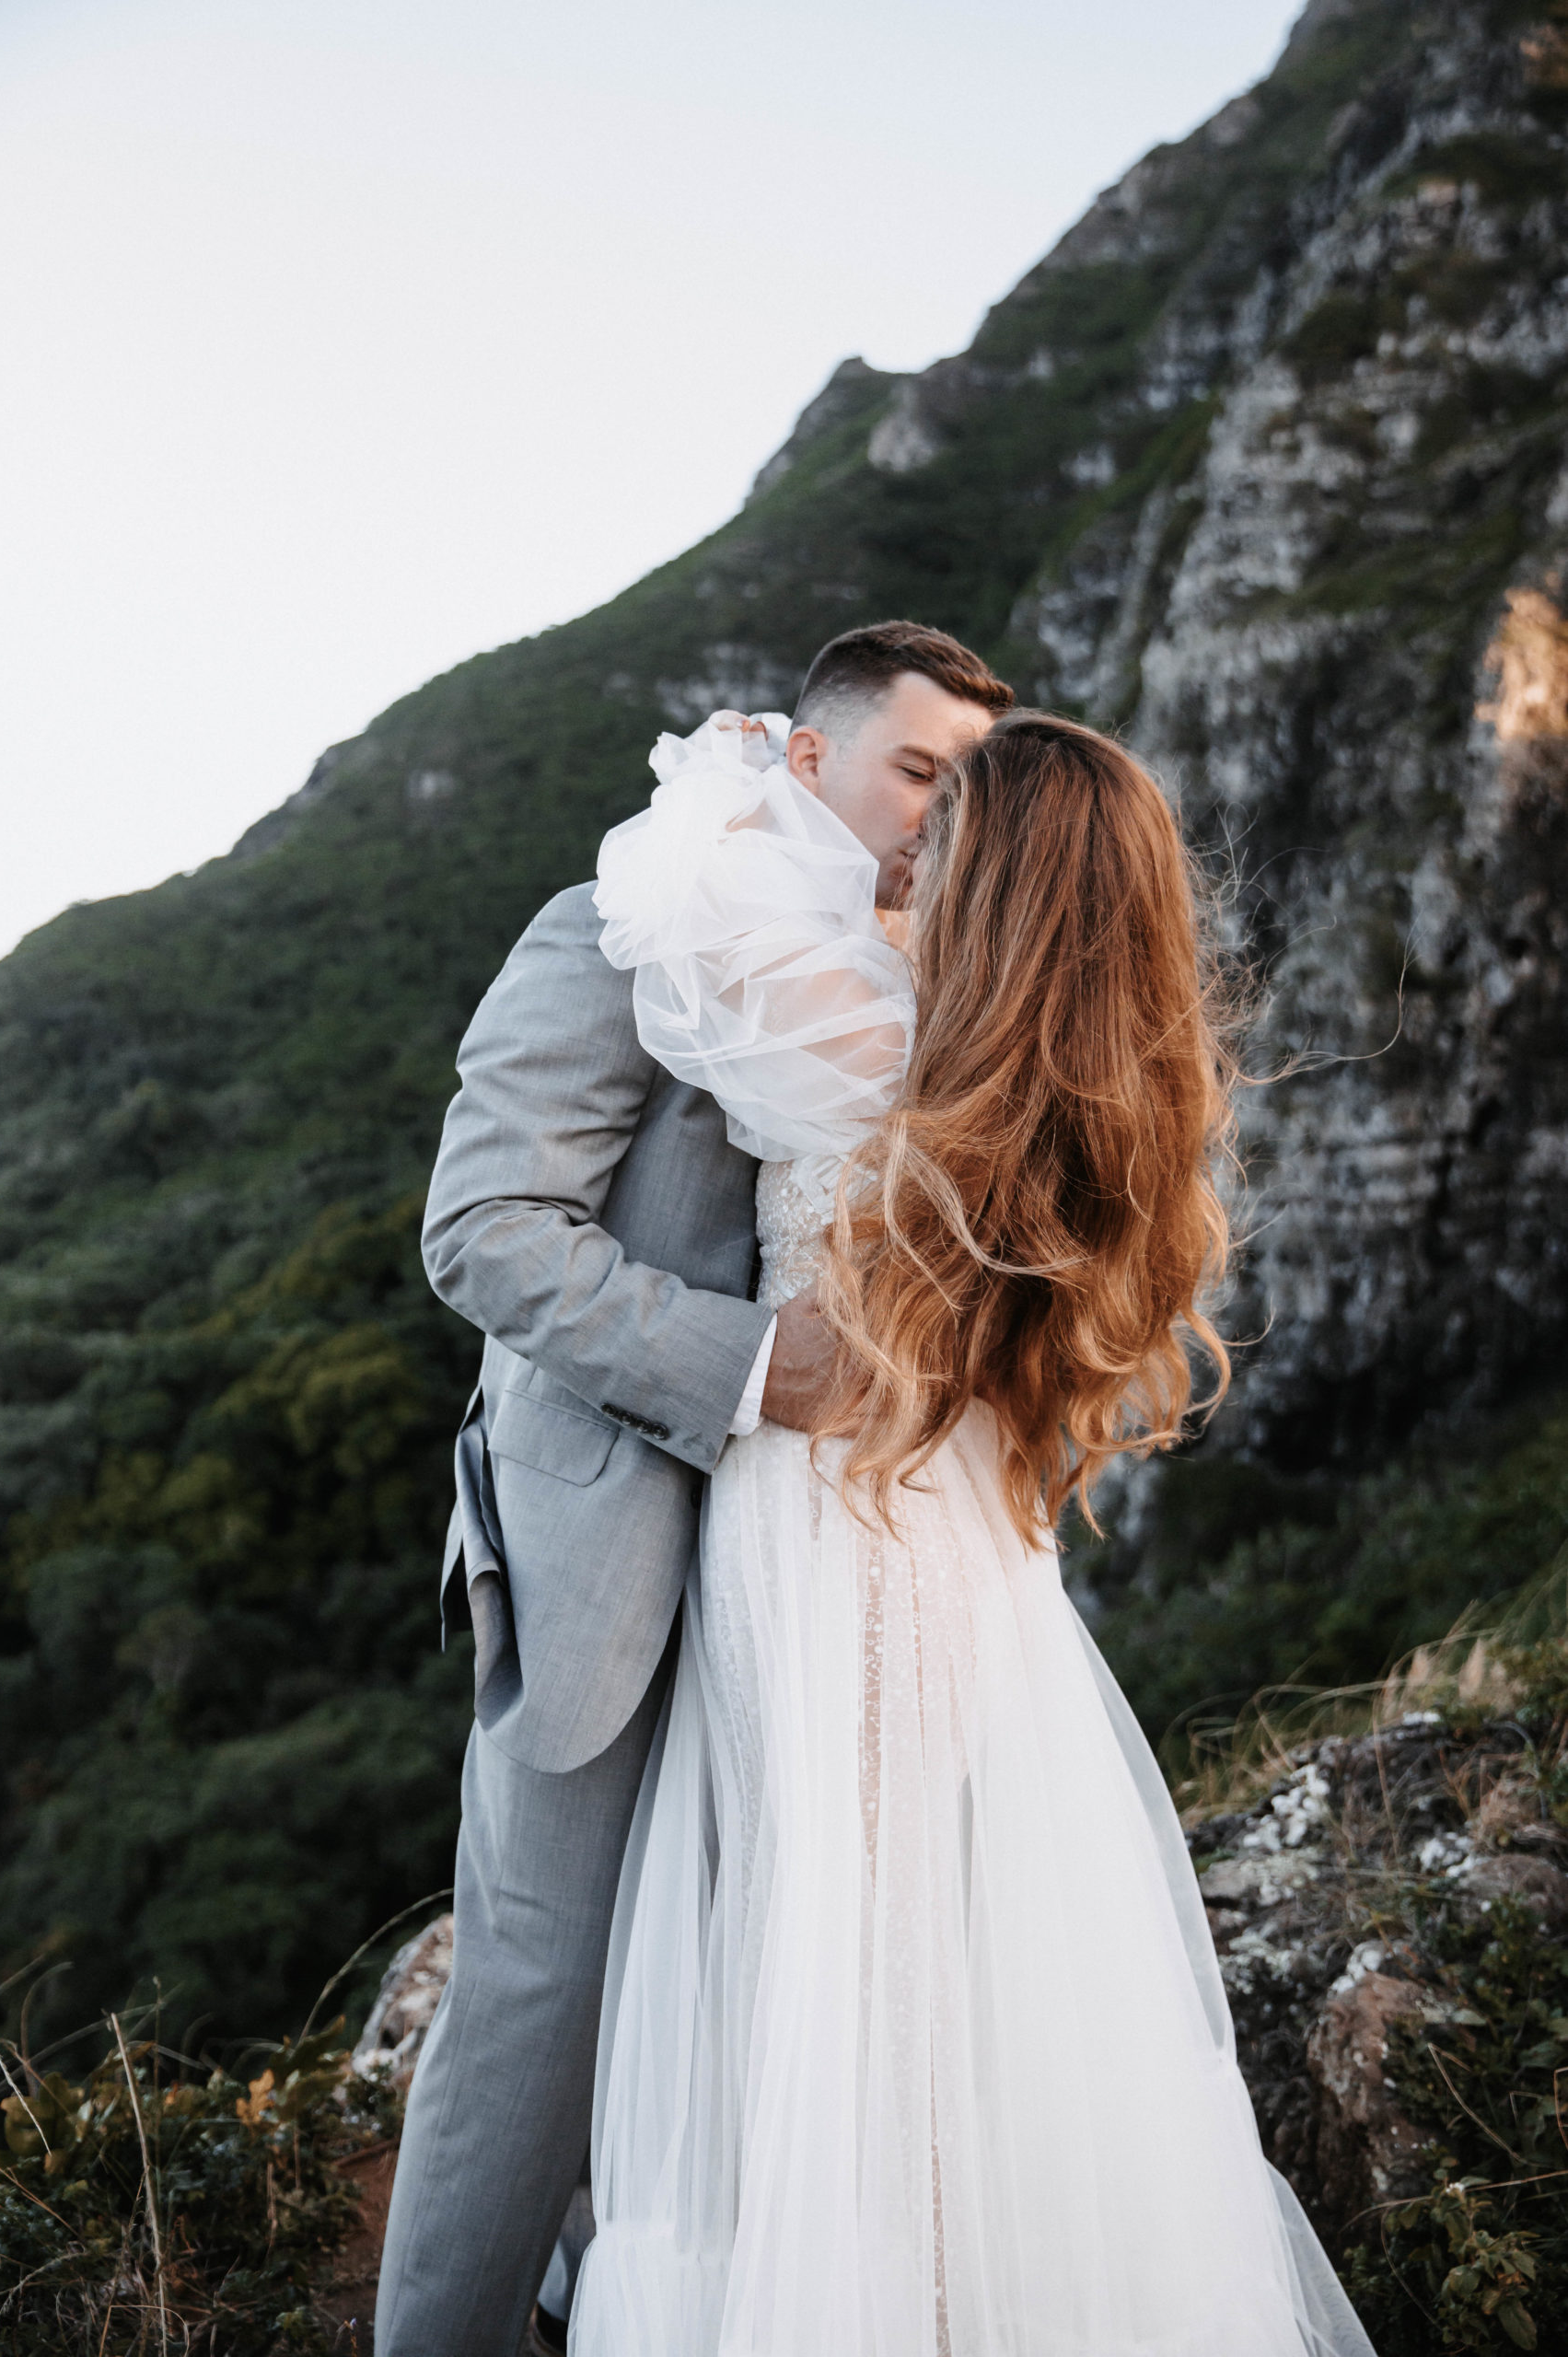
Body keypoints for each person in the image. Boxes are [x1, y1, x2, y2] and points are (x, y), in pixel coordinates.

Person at [568, 708, 1378, 2353]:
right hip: (956, 1546)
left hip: (835, 1546)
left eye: (943, 841)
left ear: (1003, 884)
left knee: (848, 1976)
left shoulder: (872, 1041)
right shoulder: (1076, 1090)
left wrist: (740, 767)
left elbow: (671, 910)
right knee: (926, 1967)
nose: (904, 860)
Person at [373, 623, 1013, 2357]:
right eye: (917, 770)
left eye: (969, 786)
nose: (939, 816)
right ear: (808, 757)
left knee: (766, 1972)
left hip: (828, 1568)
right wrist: (751, 1365)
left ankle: (623, 2301)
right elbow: (483, 1229)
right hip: (610, 1534)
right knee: (546, 1987)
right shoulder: (630, 916)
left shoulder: (950, 973)